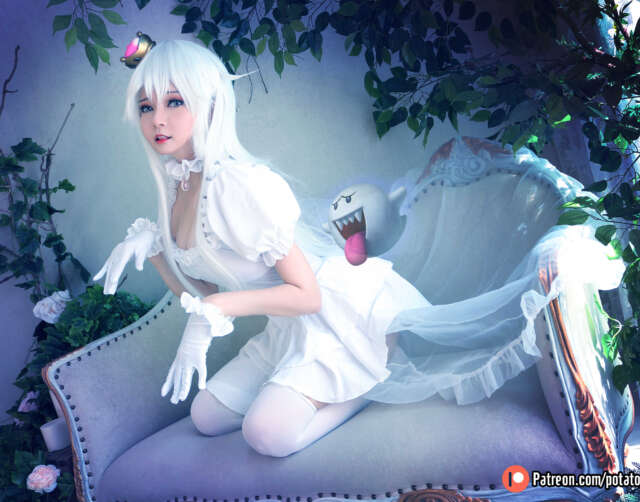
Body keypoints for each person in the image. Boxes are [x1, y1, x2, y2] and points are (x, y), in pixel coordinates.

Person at [93, 39, 431, 458]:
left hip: (341, 319)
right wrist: (156, 250)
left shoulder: (236, 184)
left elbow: (308, 296)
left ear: (211, 105)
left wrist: (216, 309)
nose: (157, 119)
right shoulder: (179, 183)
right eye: (146, 107)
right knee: (206, 416)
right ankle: (302, 391)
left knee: (267, 435)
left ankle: (370, 381)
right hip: (287, 326)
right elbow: (203, 295)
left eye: (175, 102)